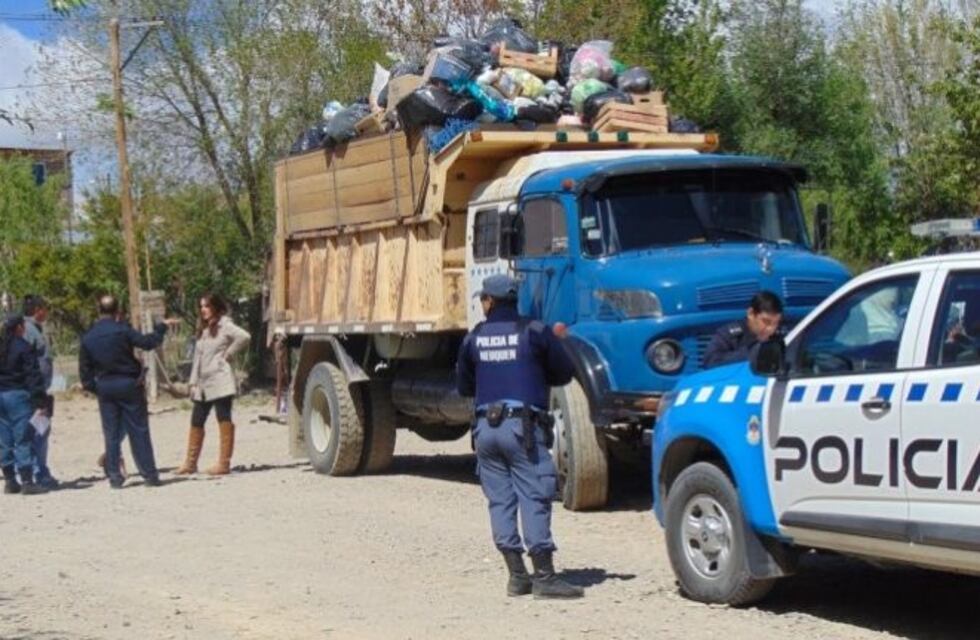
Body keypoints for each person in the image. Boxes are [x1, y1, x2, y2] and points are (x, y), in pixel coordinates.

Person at [456, 274, 584, 600]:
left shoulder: (475, 337)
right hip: (522, 429)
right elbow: (565, 371)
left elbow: (464, 386)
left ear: (490, 301)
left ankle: (516, 576)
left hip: (486, 429)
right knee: (535, 494)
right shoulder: (535, 331)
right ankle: (544, 576)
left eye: (482, 299)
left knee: (500, 500)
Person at [79, 295, 171, 488]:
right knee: (139, 430)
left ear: (99, 310)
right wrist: (161, 328)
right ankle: (149, 474)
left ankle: (114, 476)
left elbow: (85, 374)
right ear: (117, 311)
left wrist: (97, 388)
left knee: (111, 433)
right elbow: (147, 343)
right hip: (129, 384)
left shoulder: (88, 337)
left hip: (105, 386)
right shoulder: (122, 330)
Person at [176, 293, 251, 476]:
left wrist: (229, 354)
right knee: (197, 419)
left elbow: (245, 337)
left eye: (207, 306)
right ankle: (190, 463)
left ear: (216, 307)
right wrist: (192, 382)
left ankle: (223, 464)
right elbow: (197, 358)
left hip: (220, 380)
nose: (203, 310)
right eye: (201, 306)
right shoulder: (203, 329)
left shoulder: (225, 325)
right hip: (203, 383)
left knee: (223, 418)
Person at [0, 315, 48, 495]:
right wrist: (40, 401)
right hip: (18, 396)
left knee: (4, 439)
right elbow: (33, 377)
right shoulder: (24, 347)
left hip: (0, 395)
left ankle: (10, 480)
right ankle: (27, 480)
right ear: (19, 328)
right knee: (22, 438)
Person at [22, 295, 57, 488]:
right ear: (37, 310)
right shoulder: (28, 331)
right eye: (44, 308)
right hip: (33, 392)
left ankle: (38, 471)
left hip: (38, 389)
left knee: (40, 429)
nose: (46, 312)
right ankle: (38, 473)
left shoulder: (33, 329)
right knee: (38, 430)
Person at [702, 290, 784, 369]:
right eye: (766, 322)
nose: (771, 329)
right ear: (751, 314)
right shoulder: (731, 335)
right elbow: (710, 362)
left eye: (775, 323)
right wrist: (751, 354)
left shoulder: (778, 337)